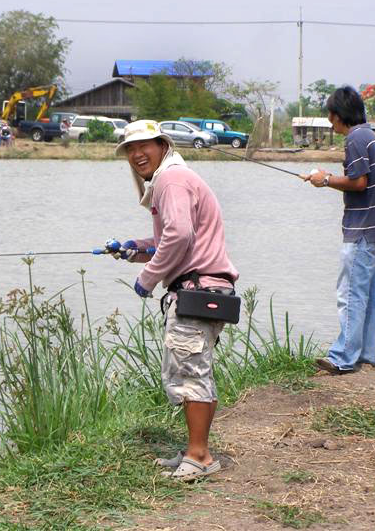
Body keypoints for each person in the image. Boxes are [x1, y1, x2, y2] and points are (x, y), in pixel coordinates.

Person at [108, 120, 238, 481]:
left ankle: (198, 457)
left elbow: (179, 236)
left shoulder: (171, 180)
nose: (136, 155)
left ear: (162, 145)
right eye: (130, 150)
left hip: (196, 290)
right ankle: (199, 451)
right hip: (208, 290)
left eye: (144, 146)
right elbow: (172, 238)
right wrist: (133, 249)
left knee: (191, 374)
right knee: (197, 371)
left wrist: (145, 280)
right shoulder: (173, 179)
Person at [300, 86, 375, 374]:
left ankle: (343, 357)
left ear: (340, 115)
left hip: (363, 229)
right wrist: (323, 178)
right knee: (366, 292)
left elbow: (359, 182)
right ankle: (365, 352)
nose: (330, 121)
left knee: (350, 292)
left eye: (331, 115)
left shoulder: (355, 138)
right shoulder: (369, 136)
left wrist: (325, 179)